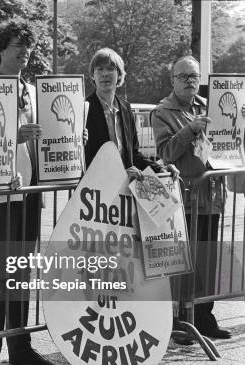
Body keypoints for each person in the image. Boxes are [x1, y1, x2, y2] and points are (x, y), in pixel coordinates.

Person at [0, 21, 55, 365]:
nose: (24, 53)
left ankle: (20, 345)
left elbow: (43, 135)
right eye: (15, 47)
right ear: (0, 51)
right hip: (1, 191)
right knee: (2, 270)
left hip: (30, 191)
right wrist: (14, 133)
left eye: (27, 47)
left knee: (23, 270)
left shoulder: (29, 90)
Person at [152, 55, 231, 341]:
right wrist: (190, 130)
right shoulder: (163, 111)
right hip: (184, 200)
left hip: (211, 197)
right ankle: (181, 322)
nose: (189, 82)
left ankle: (205, 316)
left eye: (194, 76)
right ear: (172, 80)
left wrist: (238, 119)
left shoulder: (207, 106)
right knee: (186, 264)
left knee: (208, 261)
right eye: (183, 76)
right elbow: (165, 153)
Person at [84, 48, 168, 177]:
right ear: (92, 75)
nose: (105, 74)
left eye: (111, 69)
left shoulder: (125, 108)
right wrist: (120, 174)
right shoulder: (84, 109)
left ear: (119, 74)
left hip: (124, 191)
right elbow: (85, 160)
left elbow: (134, 156)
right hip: (96, 191)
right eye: (99, 69)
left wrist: (161, 169)